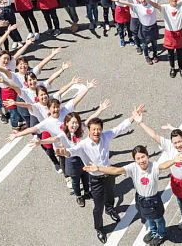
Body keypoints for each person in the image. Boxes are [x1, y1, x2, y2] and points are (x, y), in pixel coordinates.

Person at [55, 105, 144, 244]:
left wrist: (134, 117)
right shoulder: (83, 144)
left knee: (110, 194)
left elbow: (120, 128)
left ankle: (110, 210)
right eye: (94, 129)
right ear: (88, 130)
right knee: (97, 206)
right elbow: (71, 151)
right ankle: (99, 228)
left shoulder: (106, 136)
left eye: (99, 129)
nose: (96, 132)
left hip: (108, 174)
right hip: (95, 179)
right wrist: (64, 153)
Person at [84, 146, 182, 246]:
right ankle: (153, 231)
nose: (141, 160)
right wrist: (98, 169)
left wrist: (173, 161)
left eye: (143, 157)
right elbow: (116, 170)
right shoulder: (133, 167)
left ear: (147, 156)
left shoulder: (154, 166)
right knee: (148, 217)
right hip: (140, 198)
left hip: (153, 199)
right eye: (138, 158)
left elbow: (163, 166)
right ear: (135, 160)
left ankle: (161, 234)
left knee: (158, 218)